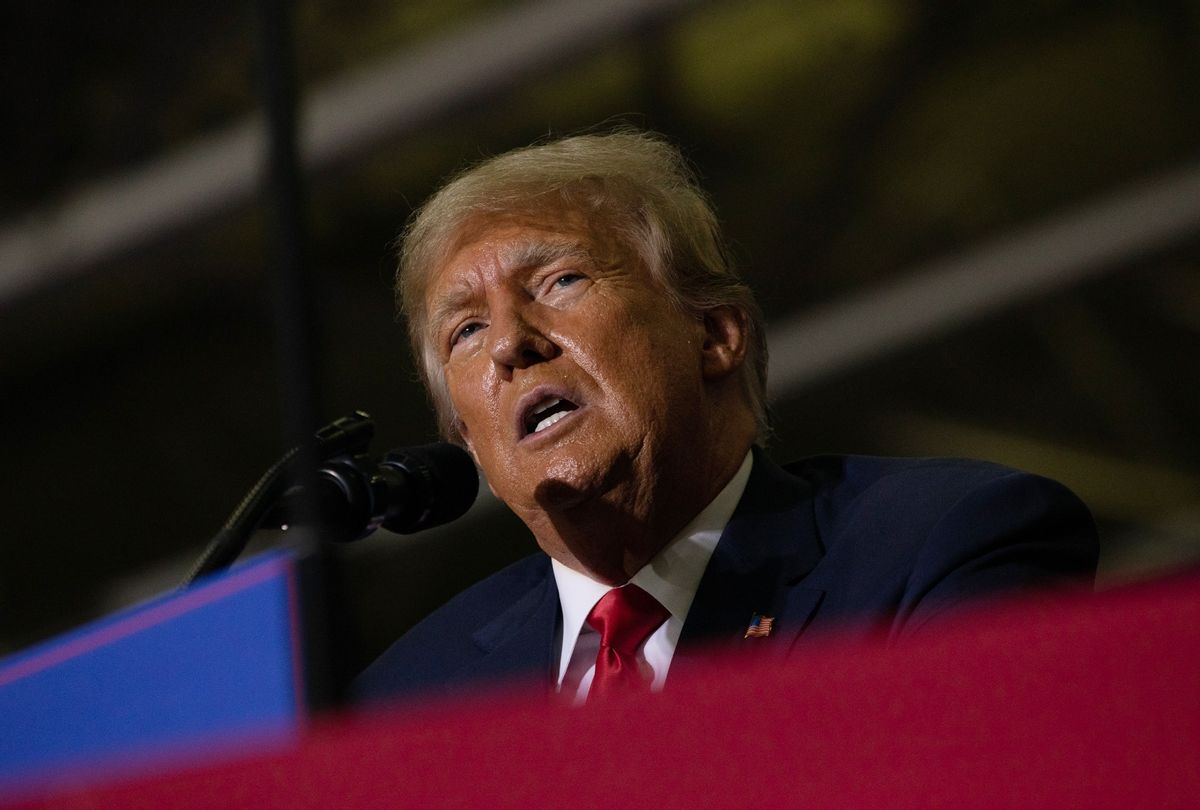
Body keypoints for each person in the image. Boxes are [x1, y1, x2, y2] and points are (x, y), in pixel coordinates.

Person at [353, 128, 1098, 704]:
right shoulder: (405, 700)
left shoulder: (939, 544)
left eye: (561, 279)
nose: (512, 341)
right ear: (468, 440)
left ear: (714, 335)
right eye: (467, 331)